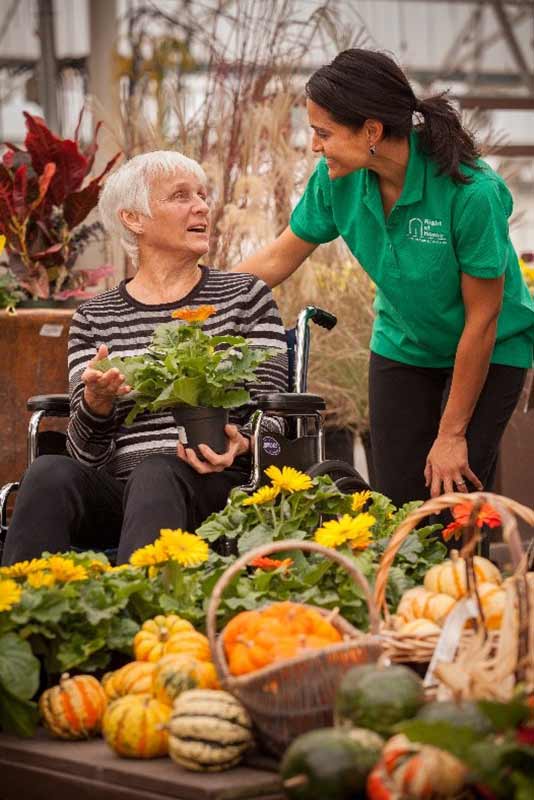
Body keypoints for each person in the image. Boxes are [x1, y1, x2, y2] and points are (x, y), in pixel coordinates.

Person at [233, 48, 534, 509]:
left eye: (323, 133)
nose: (315, 146)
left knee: (449, 503)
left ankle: (463, 578)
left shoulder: (471, 194)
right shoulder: (338, 179)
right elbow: (278, 257)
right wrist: (202, 299)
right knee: (396, 506)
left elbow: (483, 317)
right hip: (403, 345)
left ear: (371, 131)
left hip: (486, 350)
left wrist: (452, 434)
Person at [2, 151, 288, 566]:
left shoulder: (245, 296)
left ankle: (141, 617)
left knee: (157, 470)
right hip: (120, 492)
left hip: (215, 487)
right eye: (180, 196)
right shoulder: (94, 317)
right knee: (47, 472)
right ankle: (26, 614)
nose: (201, 206)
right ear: (133, 218)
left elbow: (275, 413)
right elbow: (87, 456)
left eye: (203, 196)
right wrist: (97, 406)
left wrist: (243, 442)